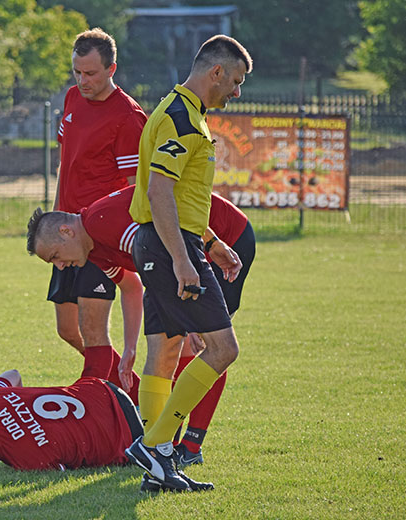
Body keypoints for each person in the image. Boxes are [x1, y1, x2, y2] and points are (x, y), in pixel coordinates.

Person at [27, 187, 246, 489]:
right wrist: (130, 347)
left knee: (218, 349)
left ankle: (170, 446)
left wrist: (210, 245)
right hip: (178, 255)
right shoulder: (94, 250)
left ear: (66, 231)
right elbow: (133, 285)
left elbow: (166, 213)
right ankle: (158, 460)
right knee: (165, 355)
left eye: (55, 257)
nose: (60, 266)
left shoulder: (101, 221)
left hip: (225, 239)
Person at [124, 34, 253, 492]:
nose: (236, 92)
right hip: (168, 248)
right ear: (215, 71)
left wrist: (211, 240)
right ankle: (155, 444)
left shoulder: (180, 111)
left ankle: (158, 467)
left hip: (160, 242)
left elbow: (179, 194)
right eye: (235, 81)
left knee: (164, 351)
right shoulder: (181, 118)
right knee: (222, 349)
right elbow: (160, 191)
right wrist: (185, 259)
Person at [0, 343, 213, 491]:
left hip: (128, 439)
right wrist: (18, 409)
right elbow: (13, 375)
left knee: (164, 414)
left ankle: (171, 439)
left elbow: (62, 472)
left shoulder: (25, 461)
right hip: (105, 390)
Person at [47, 28, 147, 399]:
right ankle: (132, 390)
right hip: (65, 236)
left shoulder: (127, 116)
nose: (82, 80)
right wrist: (56, 223)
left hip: (95, 239)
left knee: (93, 332)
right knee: (66, 329)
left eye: (90, 73)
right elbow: (64, 164)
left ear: (111, 69)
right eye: (77, 72)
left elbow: (137, 189)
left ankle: (99, 409)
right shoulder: (73, 98)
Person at [171, 192, 255, 470]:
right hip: (187, 249)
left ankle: (191, 445)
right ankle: (167, 441)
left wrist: (196, 320)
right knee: (175, 341)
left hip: (228, 241)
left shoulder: (148, 170)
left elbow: (182, 214)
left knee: (210, 345)